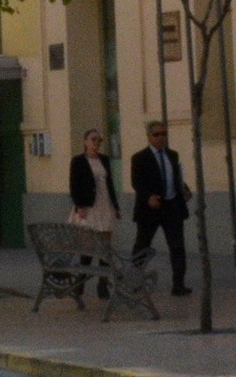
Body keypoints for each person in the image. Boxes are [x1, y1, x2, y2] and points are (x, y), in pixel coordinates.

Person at [129, 121, 191, 296]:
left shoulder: (172, 155)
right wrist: (148, 196)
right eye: (157, 134)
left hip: (172, 207)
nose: (161, 137)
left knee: (177, 246)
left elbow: (176, 177)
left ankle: (179, 284)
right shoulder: (140, 157)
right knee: (142, 246)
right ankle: (134, 282)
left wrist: (184, 189)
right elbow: (137, 182)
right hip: (150, 209)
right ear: (149, 137)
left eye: (164, 134)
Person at [68, 130, 121, 235]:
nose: (96, 142)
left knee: (106, 234)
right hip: (88, 204)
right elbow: (74, 185)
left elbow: (109, 183)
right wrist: (79, 206)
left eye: (99, 140)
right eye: (93, 139)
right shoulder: (78, 161)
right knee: (88, 236)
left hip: (105, 202)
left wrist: (116, 206)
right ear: (85, 142)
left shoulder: (104, 159)